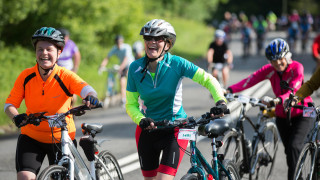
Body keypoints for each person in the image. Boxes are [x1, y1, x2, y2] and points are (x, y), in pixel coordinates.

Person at [125, 19, 227, 180]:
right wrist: (141, 119)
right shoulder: (134, 68)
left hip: (175, 129)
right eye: (147, 38)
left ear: (167, 44)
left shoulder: (177, 64)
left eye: (157, 39)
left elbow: (209, 79)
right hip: (147, 130)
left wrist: (220, 102)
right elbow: (130, 104)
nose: (151, 42)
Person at [4, 27, 100, 180]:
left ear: (59, 53)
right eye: (40, 49)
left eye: (49, 49)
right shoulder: (26, 76)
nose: (44, 53)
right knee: (24, 176)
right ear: (35, 52)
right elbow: (9, 104)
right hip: (32, 136)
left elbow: (86, 89)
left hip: (61, 137)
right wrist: (16, 117)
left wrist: (91, 97)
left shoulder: (65, 75)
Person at [225, 38, 313, 180]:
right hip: (282, 115)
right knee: (289, 153)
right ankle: (299, 177)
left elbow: (296, 89)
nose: (277, 63)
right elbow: (251, 79)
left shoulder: (297, 67)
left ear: (287, 56)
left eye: (280, 59)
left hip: (302, 113)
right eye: (273, 61)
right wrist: (229, 90)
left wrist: (278, 100)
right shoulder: (270, 70)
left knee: (294, 147)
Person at [99, 35, 134, 105]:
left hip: (131, 65)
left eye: (120, 42)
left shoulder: (126, 47)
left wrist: (120, 68)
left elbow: (126, 59)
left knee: (132, 81)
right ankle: (124, 99)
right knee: (122, 82)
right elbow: (107, 58)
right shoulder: (115, 48)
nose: (119, 43)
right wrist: (101, 66)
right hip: (123, 66)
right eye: (117, 42)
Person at [57, 28, 82, 105]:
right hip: (58, 72)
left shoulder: (71, 44)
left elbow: (77, 55)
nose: (66, 39)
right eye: (64, 37)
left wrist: (75, 68)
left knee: (72, 93)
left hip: (69, 70)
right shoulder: (56, 44)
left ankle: (71, 109)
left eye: (67, 37)